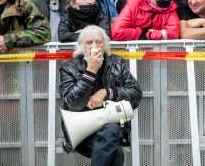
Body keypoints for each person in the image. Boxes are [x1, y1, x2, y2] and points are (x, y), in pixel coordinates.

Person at [59, 25, 142, 165]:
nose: (95, 46)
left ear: (105, 45)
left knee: (110, 130)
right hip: (82, 133)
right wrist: (90, 71)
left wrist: (107, 92)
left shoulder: (116, 63)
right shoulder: (69, 68)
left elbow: (136, 94)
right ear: (81, 46)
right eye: (89, 42)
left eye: (99, 42)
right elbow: (73, 103)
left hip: (112, 127)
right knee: (115, 152)